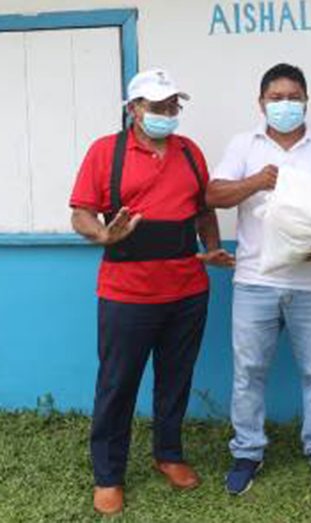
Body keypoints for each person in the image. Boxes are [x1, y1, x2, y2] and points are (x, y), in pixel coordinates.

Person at [70, 68, 233, 515]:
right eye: (157, 106)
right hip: (127, 295)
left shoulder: (190, 152)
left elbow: (203, 211)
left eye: (172, 106)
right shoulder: (106, 153)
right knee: (117, 384)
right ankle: (108, 474)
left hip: (187, 291)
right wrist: (104, 236)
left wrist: (213, 249)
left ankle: (169, 454)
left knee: (175, 380)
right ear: (133, 109)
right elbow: (81, 213)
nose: (167, 113)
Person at [206, 63, 311, 494]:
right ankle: (247, 452)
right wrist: (258, 181)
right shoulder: (242, 145)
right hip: (255, 279)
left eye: (293, 97)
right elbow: (212, 194)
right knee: (249, 372)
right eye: (276, 98)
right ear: (261, 102)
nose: (285, 105)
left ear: (307, 100)